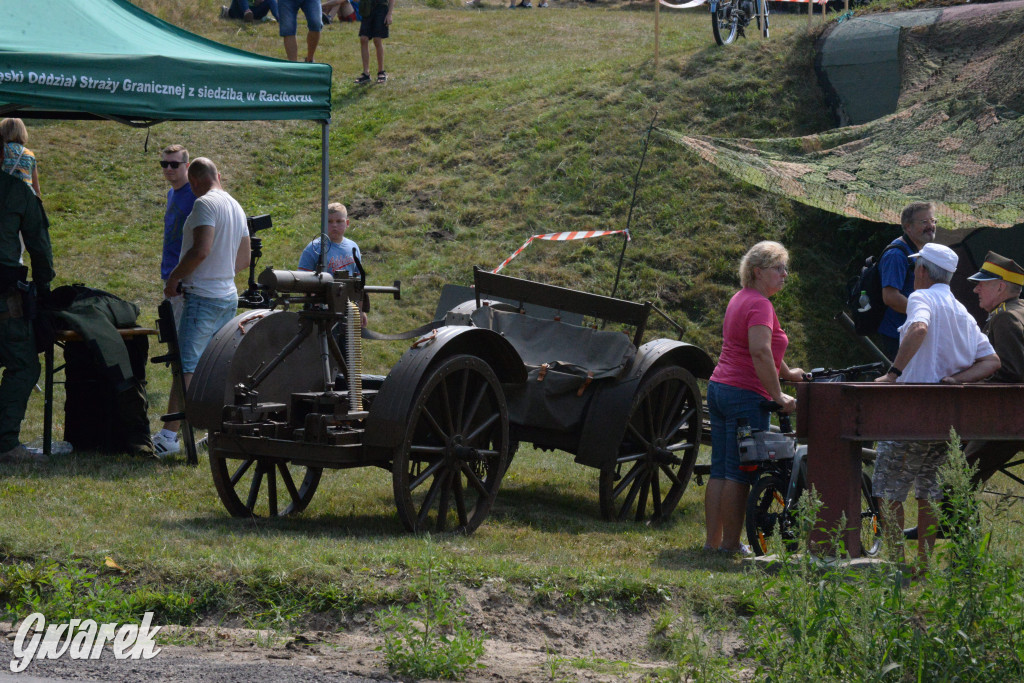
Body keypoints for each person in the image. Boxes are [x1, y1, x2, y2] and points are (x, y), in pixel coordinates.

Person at [873, 243, 1000, 565]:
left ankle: (895, 563)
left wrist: (892, 374)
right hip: (948, 420)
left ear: (921, 270)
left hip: (911, 414)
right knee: (929, 493)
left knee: (888, 490)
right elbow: (991, 360)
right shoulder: (962, 311)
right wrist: (958, 380)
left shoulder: (921, 297)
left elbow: (918, 327)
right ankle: (923, 566)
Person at [704, 241, 804, 555]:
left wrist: (788, 373)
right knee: (738, 472)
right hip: (745, 396)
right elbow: (758, 350)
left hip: (719, 388)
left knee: (720, 469)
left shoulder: (742, 298)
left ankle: (713, 543)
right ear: (758, 271)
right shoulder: (761, 305)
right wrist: (778, 395)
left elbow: (766, 347)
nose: (784, 275)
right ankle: (731, 545)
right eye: (778, 268)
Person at [152, 158, 251, 457]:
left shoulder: (204, 205)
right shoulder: (236, 206)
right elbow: (244, 258)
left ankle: (170, 436)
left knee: (187, 366)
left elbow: (201, 249)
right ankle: (215, 427)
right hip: (227, 294)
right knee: (215, 365)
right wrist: (221, 274)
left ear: (194, 182)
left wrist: (176, 276)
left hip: (202, 296)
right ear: (218, 175)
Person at [0, 170, 54, 463]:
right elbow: (39, 244)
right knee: (23, 365)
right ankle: (5, 442)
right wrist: (43, 286)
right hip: (4, 300)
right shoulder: (16, 191)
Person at [960, 251, 1024, 485]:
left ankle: (952, 522)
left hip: (1009, 419)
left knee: (956, 480)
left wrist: (969, 383)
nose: (976, 290)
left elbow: (1012, 373)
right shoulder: (1019, 309)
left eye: (981, 284)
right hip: (1012, 415)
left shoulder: (1004, 318)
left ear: (1000, 287)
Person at [877, 202, 937, 359]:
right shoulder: (896, 255)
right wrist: (923, 315)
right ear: (908, 227)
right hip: (897, 335)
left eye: (933, 221)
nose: (930, 226)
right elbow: (890, 297)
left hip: (912, 332)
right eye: (924, 222)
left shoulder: (918, 250)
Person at [298, 202, 367, 327]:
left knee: (347, 346)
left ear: (347, 223)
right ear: (323, 224)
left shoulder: (353, 247)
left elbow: (359, 284)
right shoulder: (313, 248)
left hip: (348, 309)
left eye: (339, 221)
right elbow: (302, 281)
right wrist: (317, 301)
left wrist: (360, 310)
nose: (334, 225)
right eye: (329, 221)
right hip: (320, 311)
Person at [159, 145, 196, 328]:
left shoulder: (196, 194)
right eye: (164, 164)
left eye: (174, 164)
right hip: (170, 271)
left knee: (182, 335)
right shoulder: (171, 193)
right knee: (171, 332)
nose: (168, 169)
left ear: (187, 165)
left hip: (185, 276)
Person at [354, 0, 394, 84]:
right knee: (363, 39)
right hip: (367, 7)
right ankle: (366, 73)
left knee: (377, 40)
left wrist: (389, 14)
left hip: (381, 8)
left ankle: (381, 72)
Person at [1, 118, 41, 198]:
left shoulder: (2, 151)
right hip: (24, 200)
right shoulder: (29, 154)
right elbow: (36, 188)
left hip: (4, 198)